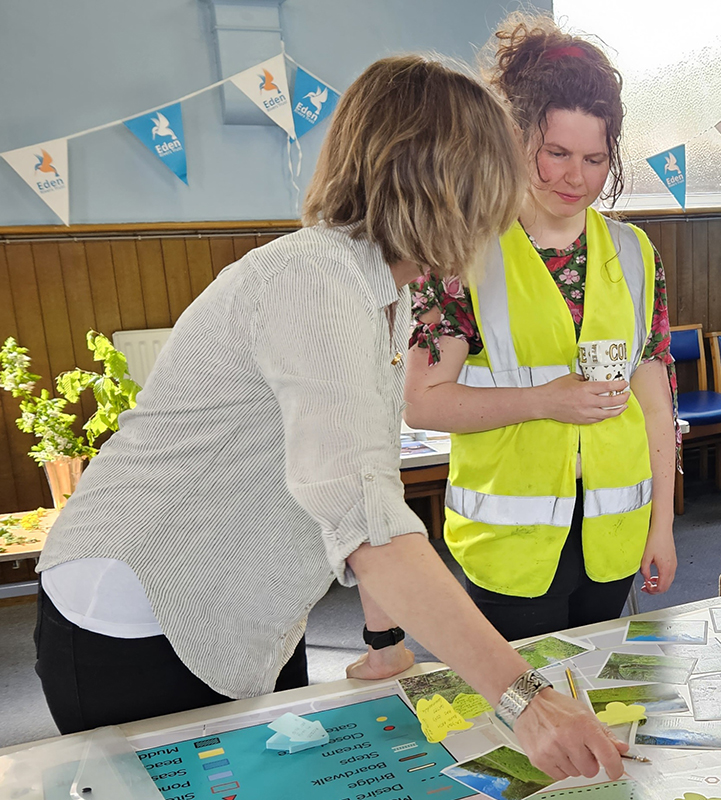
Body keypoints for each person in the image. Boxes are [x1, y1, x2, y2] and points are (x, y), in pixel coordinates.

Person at [34, 55, 626, 781]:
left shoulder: (384, 289)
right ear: (452, 185)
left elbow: (365, 481)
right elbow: (365, 518)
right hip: (137, 609)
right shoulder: (311, 279)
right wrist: (527, 701)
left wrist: (382, 636)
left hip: (249, 606)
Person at [402, 14, 678, 642]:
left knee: (605, 695)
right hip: (510, 545)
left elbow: (655, 403)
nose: (574, 178)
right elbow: (422, 403)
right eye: (555, 153)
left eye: (594, 159)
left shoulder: (636, 254)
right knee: (527, 706)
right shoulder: (460, 252)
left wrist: (661, 524)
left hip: (614, 532)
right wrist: (546, 400)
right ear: (515, 137)